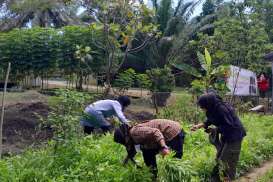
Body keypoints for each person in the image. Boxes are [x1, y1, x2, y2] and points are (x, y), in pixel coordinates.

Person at [191, 94, 246, 182]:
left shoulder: (222, 109)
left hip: (235, 136)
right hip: (226, 136)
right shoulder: (213, 108)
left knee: (226, 161)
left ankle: (228, 179)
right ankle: (216, 179)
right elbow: (211, 119)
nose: (202, 109)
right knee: (220, 158)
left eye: (202, 107)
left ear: (207, 104)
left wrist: (215, 129)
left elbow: (229, 126)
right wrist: (199, 126)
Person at [114, 119, 185, 178]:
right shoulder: (131, 138)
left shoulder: (135, 132)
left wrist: (163, 147)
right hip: (162, 134)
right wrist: (125, 162)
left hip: (172, 131)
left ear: (125, 136)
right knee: (147, 153)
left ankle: (177, 178)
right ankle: (153, 176)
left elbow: (156, 132)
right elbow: (132, 151)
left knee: (173, 160)